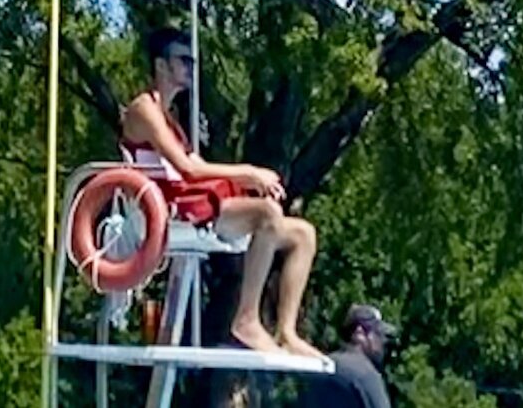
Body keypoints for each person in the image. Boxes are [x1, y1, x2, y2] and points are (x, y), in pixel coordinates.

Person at [117, 24, 326, 364]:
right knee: (267, 214)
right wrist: (247, 172)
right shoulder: (144, 109)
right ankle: (246, 319)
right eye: (183, 60)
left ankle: (286, 332)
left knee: (303, 234)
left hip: (188, 207)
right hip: (165, 212)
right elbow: (188, 170)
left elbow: (194, 163)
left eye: (192, 62)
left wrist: (249, 179)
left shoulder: (169, 117)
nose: (190, 69)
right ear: (161, 65)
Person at [335, 309, 392, 408]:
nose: (382, 341)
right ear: (359, 333)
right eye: (378, 334)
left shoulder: (324, 365)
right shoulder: (366, 374)